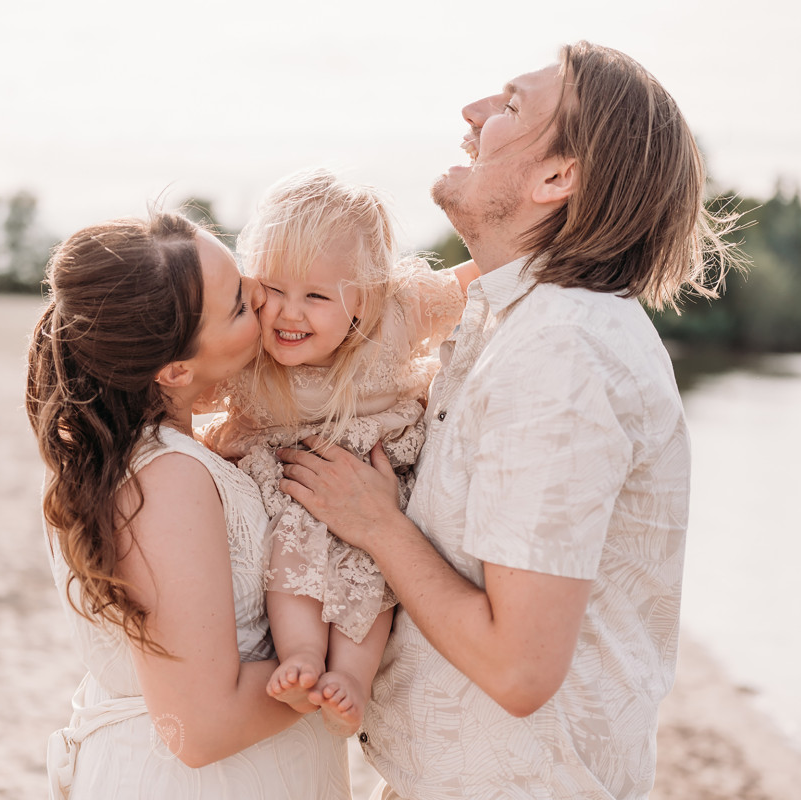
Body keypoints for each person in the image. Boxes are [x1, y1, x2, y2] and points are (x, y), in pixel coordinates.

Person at [278, 41, 738, 799]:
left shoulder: (562, 350)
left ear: (558, 176)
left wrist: (377, 524)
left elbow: (519, 668)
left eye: (511, 105)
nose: (473, 113)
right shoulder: (521, 324)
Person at [25, 212, 351, 798]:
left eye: (243, 276)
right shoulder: (168, 478)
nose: (259, 293)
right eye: (236, 305)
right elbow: (202, 726)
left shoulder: (165, 456)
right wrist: (350, 667)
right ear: (175, 370)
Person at [200, 169, 477, 737]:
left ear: (364, 299)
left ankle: (351, 675)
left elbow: (480, 277)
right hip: (289, 481)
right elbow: (189, 375)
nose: (289, 313)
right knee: (289, 537)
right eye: (273, 289)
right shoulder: (250, 344)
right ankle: (300, 655)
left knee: (373, 564)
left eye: (317, 296)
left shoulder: (396, 317)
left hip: (377, 480)